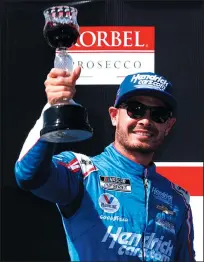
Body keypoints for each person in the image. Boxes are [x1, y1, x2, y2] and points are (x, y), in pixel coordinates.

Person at [14, 67, 196, 262]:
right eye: (136, 109)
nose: (145, 120)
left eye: (158, 114)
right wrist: (53, 109)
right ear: (114, 115)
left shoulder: (178, 199)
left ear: (168, 126)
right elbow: (28, 175)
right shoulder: (83, 171)